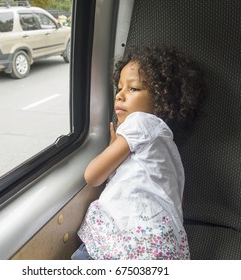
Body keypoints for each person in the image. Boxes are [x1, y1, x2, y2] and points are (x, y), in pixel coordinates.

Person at [72, 45, 205, 260]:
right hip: (159, 243)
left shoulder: (141, 123)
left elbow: (93, 176)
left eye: (133, 89)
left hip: (130, 241)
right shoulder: (162, 141)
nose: (120, 96)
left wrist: (111, 147)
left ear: (162, 98)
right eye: (119, 88)